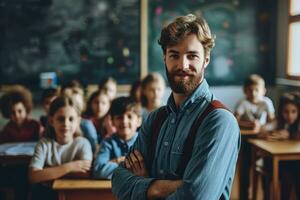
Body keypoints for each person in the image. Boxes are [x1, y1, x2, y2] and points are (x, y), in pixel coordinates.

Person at [112, 14, 240, 200]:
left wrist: (145, 184)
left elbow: (196, 196)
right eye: (174, 55)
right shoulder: (154, 119)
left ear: (206, 59)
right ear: (164, 58)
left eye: (192, 56)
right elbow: (118, 180)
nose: (183, 65)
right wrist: (163, 187)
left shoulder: (219, 121)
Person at [28, 96, 93, 200]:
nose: (66, 124)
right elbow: (33, 177)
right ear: (51, 120)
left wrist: (47, 173)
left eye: (71, 119)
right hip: (45, 194)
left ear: (78, 121)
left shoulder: (83, 143)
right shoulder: (44, 144)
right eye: (61, 119)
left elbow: (86, 173)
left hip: (75, 194)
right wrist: (70, 167)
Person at [234, 74, 275, 200]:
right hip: (246, 140)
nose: (254, 93)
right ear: (245, 91)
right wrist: (249, 124)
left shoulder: (267, 102)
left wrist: (263, 127)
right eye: (250, 90)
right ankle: (244, 196)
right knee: (245, 170)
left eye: (257, 90)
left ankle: (266, 195)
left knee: (266, 169)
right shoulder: (243, 103)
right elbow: (234, 120)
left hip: (262, 140)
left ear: (263, 91)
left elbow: (273, 121)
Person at [93, 96, 141, 179]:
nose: (124, 121)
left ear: (139, 121)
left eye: (129, 116)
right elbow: (99, 170)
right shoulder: (108, 142)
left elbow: (150, 168)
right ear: (112, 122)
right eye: (119, 117)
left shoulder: (144, 141)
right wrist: (133, 167)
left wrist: (117, 162)